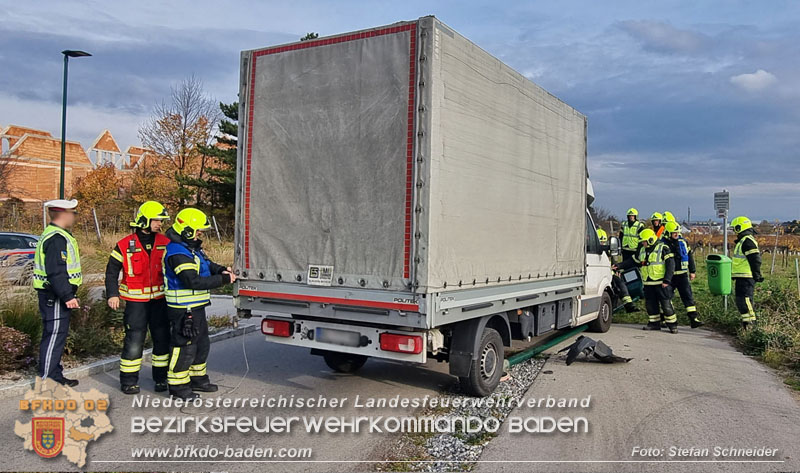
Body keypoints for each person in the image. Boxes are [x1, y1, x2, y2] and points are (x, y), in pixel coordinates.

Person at [163, 208, 235, 399]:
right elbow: (192, 281)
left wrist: (222, 270)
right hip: (183, 309)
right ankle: (178, 387)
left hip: (196, 307)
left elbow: (206, 264)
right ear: (186, 230)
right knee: (184, 347)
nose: (200, 235)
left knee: (202, 344)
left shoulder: (191, 248)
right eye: (198, 232)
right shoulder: (177, 252)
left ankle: (198, 380)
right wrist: (225, 281)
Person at [105, 201, 171, 394]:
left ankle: (161, 379)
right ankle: (128, 381)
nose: (160, 223)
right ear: (145, 220)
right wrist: (112, 294)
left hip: (159, 301)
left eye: (161, 220)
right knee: (134, 341)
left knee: (162, 340)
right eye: (157, 220)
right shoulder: (124, 245)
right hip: (135, 303)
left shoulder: (165, 242)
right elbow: (111, 272)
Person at [31, 199, 82, 386]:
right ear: (63, 214)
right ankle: (47, 381)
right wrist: (67, 296)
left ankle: (55, 374)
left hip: (55, 294)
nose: (75, 216)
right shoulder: (56, 238)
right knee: (54, 335)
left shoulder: (56, 235)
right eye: (73, 212)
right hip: (55, 296)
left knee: (56, 335)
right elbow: (56, 271)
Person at [617, 228, 677, 333]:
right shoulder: (642, 250)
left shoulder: (663, 248)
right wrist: (619, 266)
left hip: (661, 282)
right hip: (648, 283)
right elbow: (633, 261)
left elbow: (670, 265)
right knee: (650, 304)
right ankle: (654, 323)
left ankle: (672, 325)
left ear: (650, 240)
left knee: (666, 304)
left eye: (644, 241)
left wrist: (667, 280)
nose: (643, 244)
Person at [664, 221, 703, 328]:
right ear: (668, 233)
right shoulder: (663, 244)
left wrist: (692, 271)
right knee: (667, 298)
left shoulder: (683, 242)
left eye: (677, 232)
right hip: (669, 277)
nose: (677, 235)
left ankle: (693, 319)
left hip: (682, 275)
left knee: (688, 296)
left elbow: (689, 256)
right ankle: (666, 319)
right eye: (674, 233)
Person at [731, 216, 762, 328]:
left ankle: (751, 325)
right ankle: (746, 324)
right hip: (742, 276)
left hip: (746, 277)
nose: (734, 231)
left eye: (734, 228)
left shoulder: (747, 241)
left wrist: (756, 274)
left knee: (745, 300)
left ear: (739, 228)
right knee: (741, 301)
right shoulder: (744, 241)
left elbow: (755, 259)